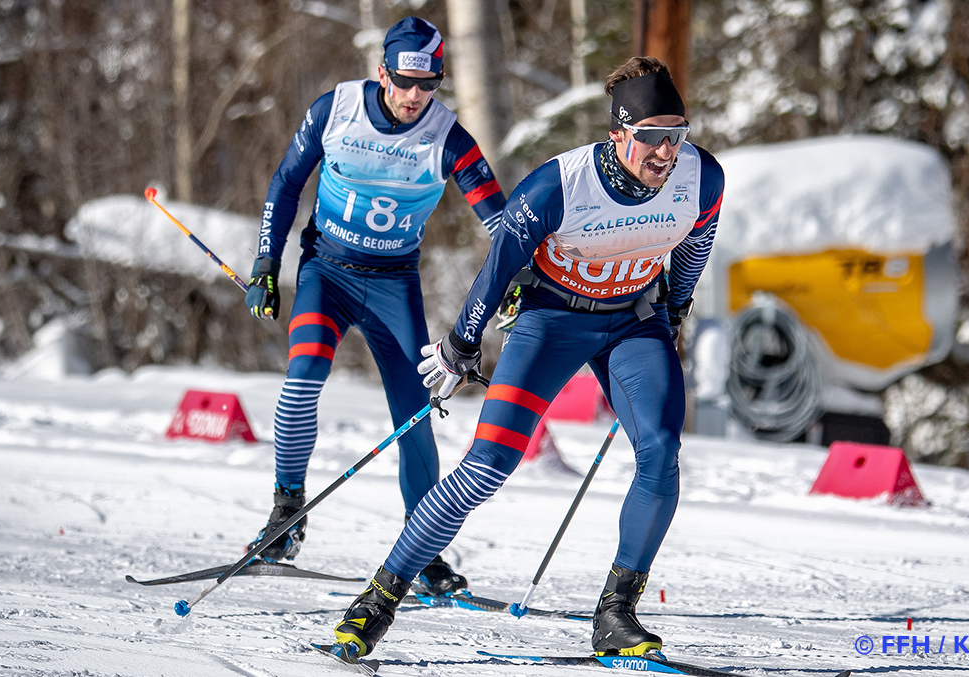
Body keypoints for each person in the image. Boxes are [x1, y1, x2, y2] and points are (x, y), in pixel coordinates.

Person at [330, 56, 724, 660]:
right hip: (551, 321)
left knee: (662, 451)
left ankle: (617, 613)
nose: (667, 153)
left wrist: (673, 311)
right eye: (652, 138)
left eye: (677, 135)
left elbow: (695, 245)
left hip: (631, 322)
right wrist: (463, 343)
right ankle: (381, 595)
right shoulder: (558, 186)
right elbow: (498, 267)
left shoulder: (702, 178)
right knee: (486, 466)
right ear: (619, 133)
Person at [242, 16, 505, 597]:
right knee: (303, 375)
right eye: (406, 81)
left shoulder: (449, 137)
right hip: (326, 273)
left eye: (429, 84)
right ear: (382, 71)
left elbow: (500, 220)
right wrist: (266, 263)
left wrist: (520, 276)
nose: (416, 96)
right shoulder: (334, 110)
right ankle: (287, 514)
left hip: (392, 284)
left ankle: (425, 550)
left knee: (414, 413)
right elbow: (287, 184)